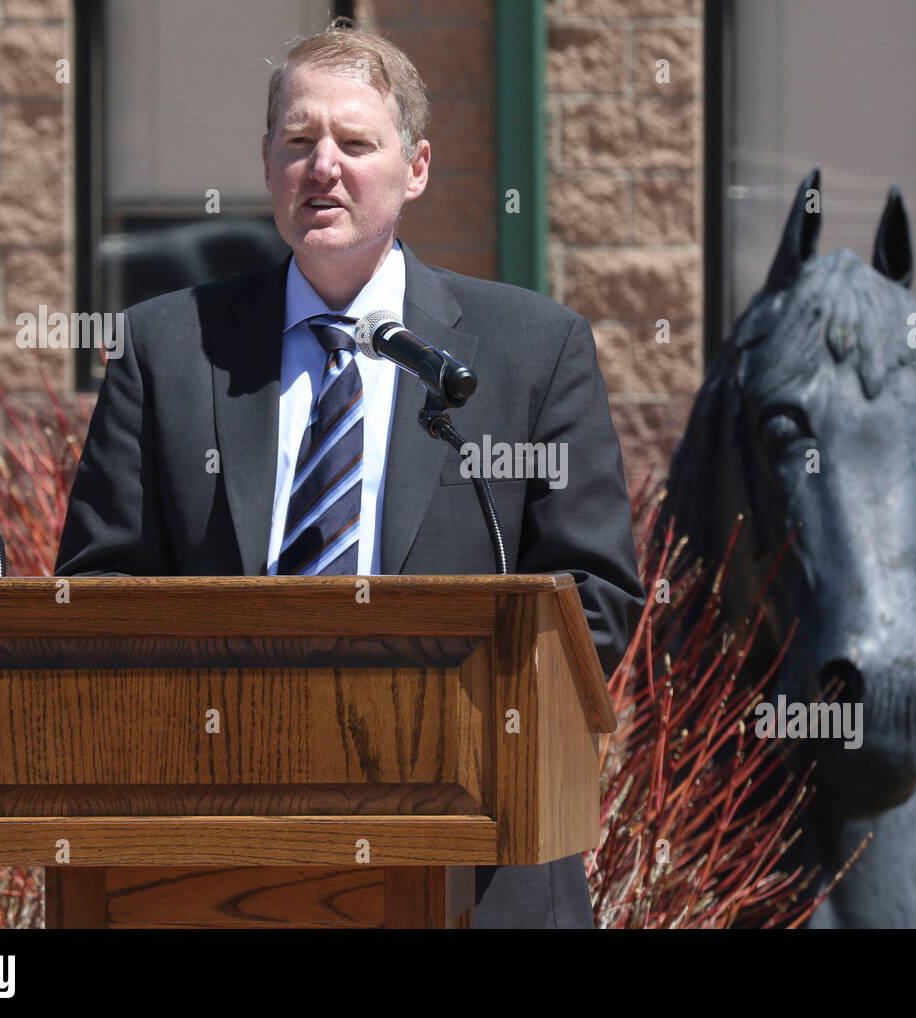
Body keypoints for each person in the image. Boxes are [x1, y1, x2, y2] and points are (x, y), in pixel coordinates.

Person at [54, 19, 643, 929]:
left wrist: (411, 736)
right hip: (223, 867)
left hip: (472, 863)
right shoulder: (169, 350)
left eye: (355, 142)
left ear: (414, 168)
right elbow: (97, 594)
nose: (322, 165)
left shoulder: (531, 351)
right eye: (298, 142)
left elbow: (595, 599)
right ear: (266, 165)